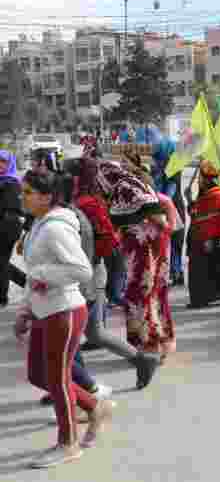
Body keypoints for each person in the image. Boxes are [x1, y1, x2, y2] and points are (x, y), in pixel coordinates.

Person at [13, 169, 114, 468]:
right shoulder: (38, 225)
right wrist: (25, 310)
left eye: (28, 192)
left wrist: (44, 276)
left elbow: (81, 270)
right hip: (44, 309)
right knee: (38, 375)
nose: (23, 197)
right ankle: (95, 406)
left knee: (57, 378)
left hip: (64, 310)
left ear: (47, 197)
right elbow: (34, 274)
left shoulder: (56, 228)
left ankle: (68, 443)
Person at [68, 162, 160, 390]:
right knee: (93, 332)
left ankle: (74, 384)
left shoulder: (85, 204)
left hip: (86, 277)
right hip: (92, 274)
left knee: (71, 334)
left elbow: (107, 243)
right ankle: (142, 360)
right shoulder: (89, 202)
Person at [94, 160, 175, 357]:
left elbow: (157, 216)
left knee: (140, 294)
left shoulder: (125, 188)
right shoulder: (127, 185)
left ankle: (149, 346)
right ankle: (159, 343)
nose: (98, 186)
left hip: (145, 249)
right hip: (149, 247)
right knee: (152, 293)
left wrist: (153, 233)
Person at [185, 161, 220, 309]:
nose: (201, 180)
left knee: (204, 270)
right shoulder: (204, 193)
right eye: (202, 176)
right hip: (198, 237)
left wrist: (211, 238)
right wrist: (189, 199)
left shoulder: (216, 194)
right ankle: (203, 298)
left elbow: (219, 219)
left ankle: (203, 299)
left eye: (204, 177)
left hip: (208, 239)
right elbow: (195, 214)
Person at [150, 139, 186, 286]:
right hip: (162, 208)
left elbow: (170, 191)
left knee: (174, 243)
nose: (154, 158)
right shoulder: (157, 168)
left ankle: (175, 272)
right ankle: (170, 273)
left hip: (172, 209)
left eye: (157, 154)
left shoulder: (174, 169)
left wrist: (159, 202)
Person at [0, 149, 23, 306]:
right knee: (3, 263)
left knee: (2, 263)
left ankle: (2, 297)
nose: (0, 164)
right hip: (5, 224)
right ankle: (27, 283)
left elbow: (11, 209)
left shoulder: (11, 182)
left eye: (3, 162)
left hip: (7, 227)